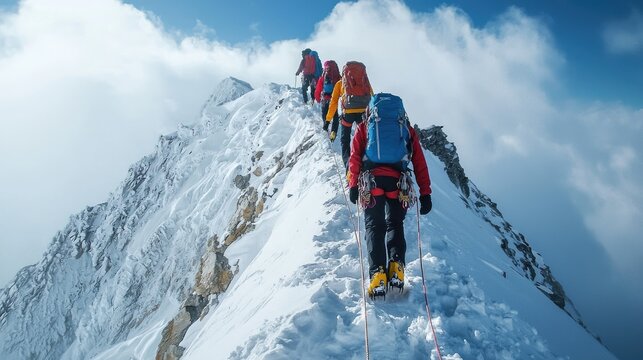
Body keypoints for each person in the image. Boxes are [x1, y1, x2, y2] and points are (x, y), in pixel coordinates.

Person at [346, 93, 432, 299]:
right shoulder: (406, 129)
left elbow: (355, 156)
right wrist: (425, 193)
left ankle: (377, 275)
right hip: (398, 183)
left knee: (374, 226)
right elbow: (419, 162)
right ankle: (396, 269)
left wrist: (352, 185)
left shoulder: (366, 126)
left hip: (371, 181)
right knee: (395, 224)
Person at [325, 61, 373, 168]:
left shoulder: (340, 83)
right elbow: (372, 96)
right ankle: (365, 164)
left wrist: (328, 120)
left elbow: (333, 103)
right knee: (365, 138)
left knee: (345, 140)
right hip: (363, 113)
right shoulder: (365, 82)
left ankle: (348, 167)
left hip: (348, 114)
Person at [314, 60, 341, 142]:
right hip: (335, 99)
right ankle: (333, 132)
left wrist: (318, 99)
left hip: (325, 98)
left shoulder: (323, 76)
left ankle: (325, 127)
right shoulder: (338, 76)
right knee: (335, 116)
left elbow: (318, 89)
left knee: (325, 113)